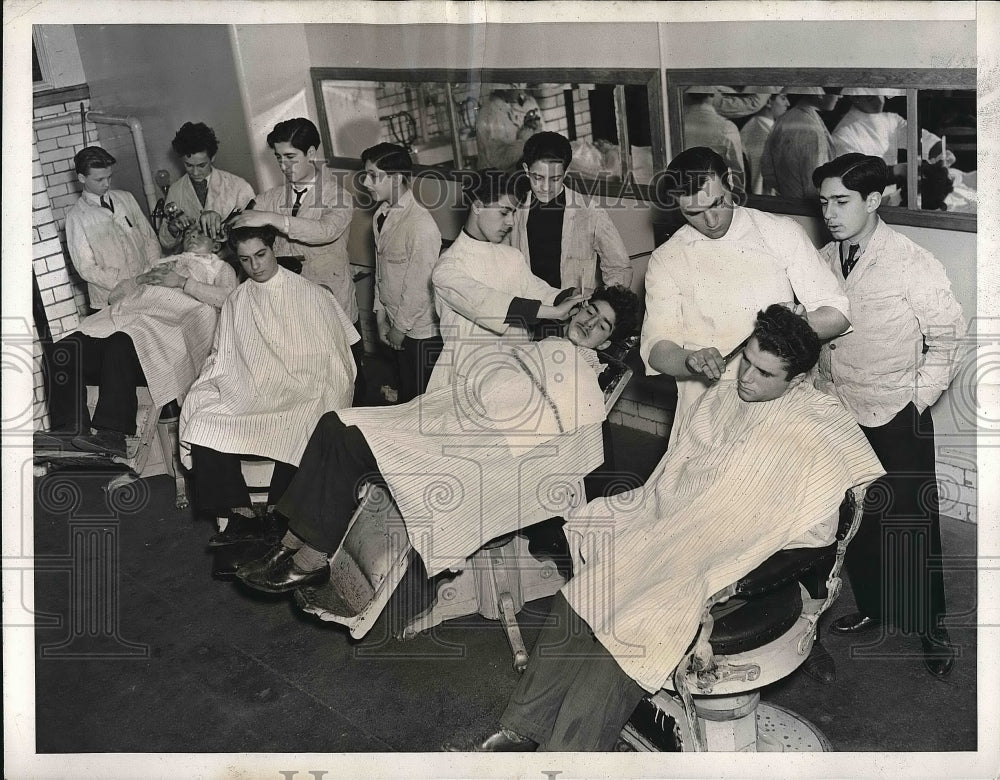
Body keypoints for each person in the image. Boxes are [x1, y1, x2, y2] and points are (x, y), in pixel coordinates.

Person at [444, 306, 885, 752]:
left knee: (631, 629)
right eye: (746, 360)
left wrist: (736, 575)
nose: (746, 378)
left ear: (798, 380)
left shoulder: (818, 428)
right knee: (585, 593)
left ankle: (571, 758)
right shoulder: (731, 393)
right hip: (678, 523)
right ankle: (524, 726)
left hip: (735, 557)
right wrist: (659, 509)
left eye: (764, 373)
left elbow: (818, 533)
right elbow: (683, 469)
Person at [235, 285, 640, 595]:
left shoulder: (583, 381)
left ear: (605, 343)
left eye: (602, 325)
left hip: (476, 451)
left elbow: (572, 451)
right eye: (590, 310)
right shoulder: (549, 347)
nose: (589, 322)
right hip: (449, 420)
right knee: (332, 422)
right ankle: (291, 539)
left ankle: (312, 555)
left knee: (352, 440)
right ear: (578, 306)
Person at [812, 154, 966, 678]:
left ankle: (929, 624)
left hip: (897, 409)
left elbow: (947, 340)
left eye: (841, 201)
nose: (829, 213)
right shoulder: (823, 257)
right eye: (824, 202)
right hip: (839, 410)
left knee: (911, 521)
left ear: (874, 201)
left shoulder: (911, 261)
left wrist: (916, 400)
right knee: (857, 516)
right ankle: (876, 605)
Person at [641, 147, 850, 442]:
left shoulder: (779, 232)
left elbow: (838, 313)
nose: (711, 221)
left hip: (777, 401)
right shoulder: (667, 258)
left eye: (718, 203)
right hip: (705, 407)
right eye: (694, 213)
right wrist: (690, 360)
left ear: (731, 184)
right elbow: (656, 348)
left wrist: (797, 324)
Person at [179, 225, 360, 542]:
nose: (255, 266)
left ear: (273, 249)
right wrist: (208, 382)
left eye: (261, 255)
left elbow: (333, 355)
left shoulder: (309, 294)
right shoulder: (238, 298)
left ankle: (282, 516)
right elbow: (224, 352)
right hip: (252, 386)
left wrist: (309, 381)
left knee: (303, 417)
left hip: (305, 384)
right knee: (203, 421)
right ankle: (238, 515)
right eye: (246, 260)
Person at [40, 226, 238, 458]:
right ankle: (69, 429)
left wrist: (182, 282)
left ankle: (113, 435)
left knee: (121, 343)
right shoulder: (160, 263)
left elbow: (229, 299)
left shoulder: (220, 267)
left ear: (216, 246)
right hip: (123, 324)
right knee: (61, 351)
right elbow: (114, 296)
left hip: (165, 331)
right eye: (188, 234)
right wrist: (142, 278)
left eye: (200, 235)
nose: (192, 236)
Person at [426, 169, 584, 392]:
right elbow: (487, 303)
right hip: (468, 377)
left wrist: (570, 297)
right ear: (478, 206)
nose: (511, 222)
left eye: (514, 213)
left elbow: (538, 290)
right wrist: (555, 312)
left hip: (515, 370)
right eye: (504, 213)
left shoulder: (511, 256)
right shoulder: (448, 268)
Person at [230, 118, 357, 325]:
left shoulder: (338, 196)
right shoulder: (270, 198)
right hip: (288, 301)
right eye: (278, 158)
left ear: (311, 153)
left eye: (290, 157)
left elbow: (326, 231)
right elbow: (241, 222)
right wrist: (222, 220)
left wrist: (272, 218)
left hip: (328, 296)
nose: (283, 165)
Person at [361, 142, 443, 402]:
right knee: (407, 391)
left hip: (418, 331)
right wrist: (380, 313)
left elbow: (420, 285)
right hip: (395, 321)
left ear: (396, 179)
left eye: (373, 176)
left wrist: (400, 328)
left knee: (423, 399)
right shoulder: (380, 215)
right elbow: (381, 271)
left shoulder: (421, 225)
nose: (365, 182)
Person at [508, 131, 632, 293]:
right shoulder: (513, 210)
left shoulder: (590, 212)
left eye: (555, 179)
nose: (546, 188)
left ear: (565, 173)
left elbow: (620, 268)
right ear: (526, 170)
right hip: (529, 311)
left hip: (573, 315)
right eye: (538, 178)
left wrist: (596, 309)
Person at [64, 146, 162, 311]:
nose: (107, 184)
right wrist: (124, 284)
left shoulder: (126, 198)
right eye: (99, 180)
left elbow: (149, 237)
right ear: (81, 178)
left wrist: (151, 270)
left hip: (147, 286)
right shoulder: (76, 217)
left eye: (109, 177)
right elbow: (86, 268)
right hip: (110, 298)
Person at [157, 121, 255, 250]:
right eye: (189, 165)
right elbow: (165, 242)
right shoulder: (176, 190)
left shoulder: (238, 186)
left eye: (201, 165)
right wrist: (173, 229)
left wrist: (223, 226)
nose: (195, 172)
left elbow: (254, 235)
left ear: (213, 157)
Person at [760, 87, 840, 199]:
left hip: (787, 202)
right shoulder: (811, 127)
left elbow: (768, 172)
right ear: (819, 93)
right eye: (837, 92)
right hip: (805, 209)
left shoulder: (784, 119)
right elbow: (815, 186)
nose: (840, 96)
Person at [681, 86, 746, 192]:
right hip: (714, 196)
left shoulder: (673, 125)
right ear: (714, 95)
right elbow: (737, 175)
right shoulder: (727, 127)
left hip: (679, 195)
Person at [475, 86, 544, 171]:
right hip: (497, 180)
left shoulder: (528, 102)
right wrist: (524, 141)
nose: (521, 88)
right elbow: (498, 163)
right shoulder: (490, 113)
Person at [739, 87, 789, 195]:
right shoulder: (760, 133)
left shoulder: (762, 127)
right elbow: (758, 182)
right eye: (783, 98)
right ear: (768, 101)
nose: (788, 103)